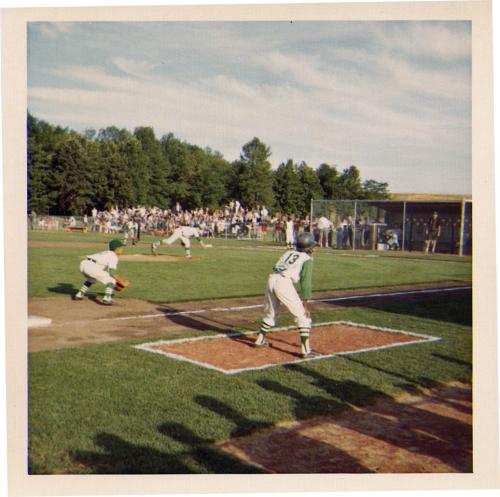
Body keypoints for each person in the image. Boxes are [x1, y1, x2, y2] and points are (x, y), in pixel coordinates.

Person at [254, 232, 318, 358]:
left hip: (271, 279)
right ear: (308, 247)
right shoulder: (307, 259)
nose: (313, 248)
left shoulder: (288, 252)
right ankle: (306, 351)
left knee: (271, 313)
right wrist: (305, 305)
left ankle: (260, 340)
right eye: (312, 246)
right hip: (283, 283)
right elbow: (306, 284)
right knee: (303, 316)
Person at [74, 239, 125, 305]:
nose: (122, 249)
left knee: (91, 279)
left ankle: (79, 294)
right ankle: (107, 299)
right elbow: (112, 272)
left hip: (84, 264)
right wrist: (121, 282)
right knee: (111, 279)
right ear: (117, 248)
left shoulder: (107, 252)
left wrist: (115, 286)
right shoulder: (113, 256)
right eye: (121, 247)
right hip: (91, 266)